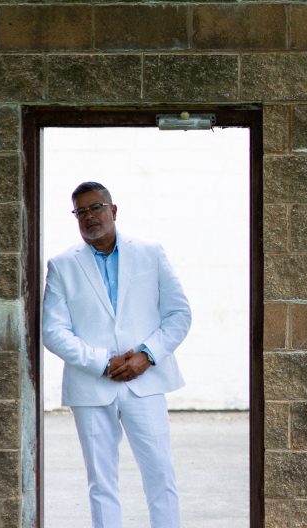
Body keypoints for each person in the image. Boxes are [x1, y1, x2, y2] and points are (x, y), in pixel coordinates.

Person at [42, 181, 191, 528]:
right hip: (92, 387)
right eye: (81, 211)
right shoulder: (62, 265)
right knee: (101, 482)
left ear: (113, 210)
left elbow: (179, 314)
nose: (90, 216)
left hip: (146, 381)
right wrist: (101, 362)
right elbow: (53, 330)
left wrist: (147, 355)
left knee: (160, 474)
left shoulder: (150, 253)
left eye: (96, 208)